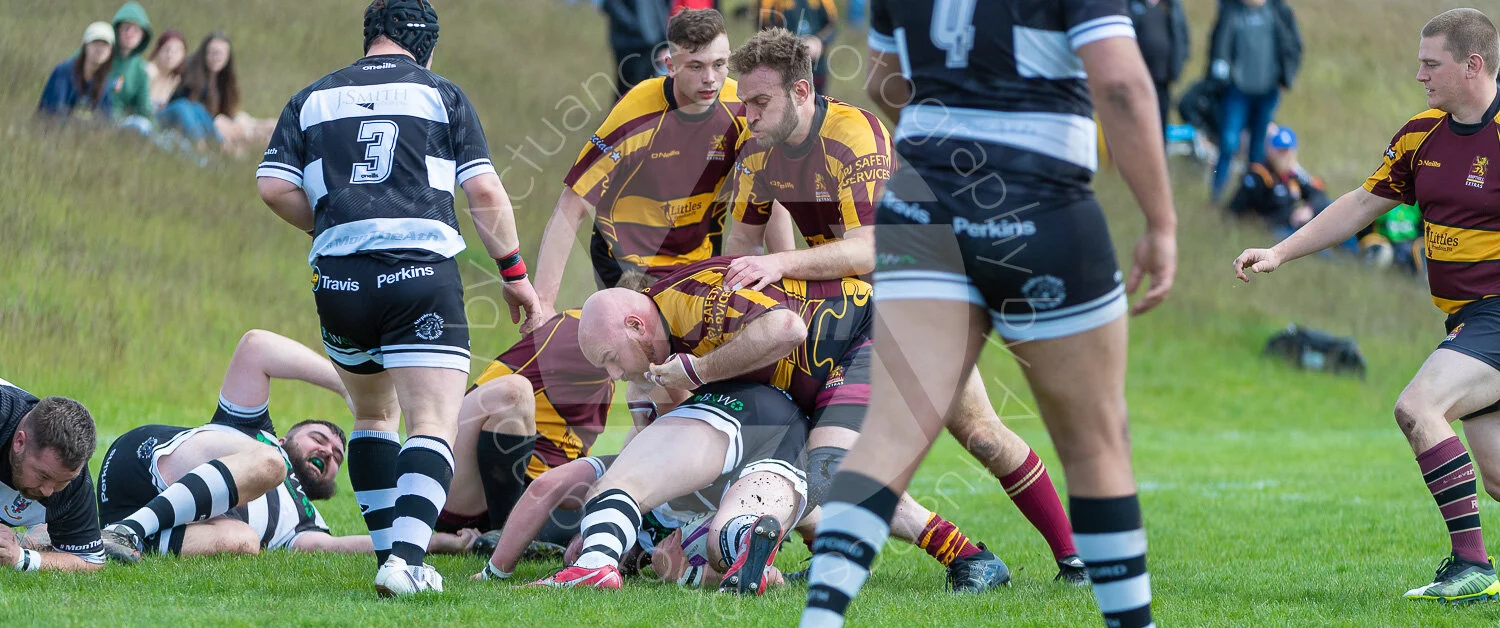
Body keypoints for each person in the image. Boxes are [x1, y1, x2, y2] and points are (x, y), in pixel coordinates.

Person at [803, 0, 1179, 625]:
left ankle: (820, 621)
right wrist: (1161, 222)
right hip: (1040, 205)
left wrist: (954, 139)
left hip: (926, 207)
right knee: (1096, 445)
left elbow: (883, 80)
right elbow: (1119, 82)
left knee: (890, 437)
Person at [724, 28, 1087, 583]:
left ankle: (1071, 559)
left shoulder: (853, 134)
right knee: (813, 428)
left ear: (801, 92)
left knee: (980, 433)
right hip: (852, 303)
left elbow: (871, 249)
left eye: (759, 102)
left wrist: (782, 268)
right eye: (744, 100)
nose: (746, 114)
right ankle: (841, 558)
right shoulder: (759, 150)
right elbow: (744, 246)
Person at [256, 0, 540, 597]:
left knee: (371, 417)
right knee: (431, 421)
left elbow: (273, 186)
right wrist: (513, 271)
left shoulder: (312, 97)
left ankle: (391, 552)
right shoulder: (441, 93)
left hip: (337, 282)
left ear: (371, 38)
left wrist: (329, 225)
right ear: (427, 46)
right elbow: (484, 191)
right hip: (418, 273)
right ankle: (405, 561)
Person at [1234, 8, 1500, 603]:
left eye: (1432, 64)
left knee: (1419, 407)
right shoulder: (1420, 135)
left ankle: (1472, 568)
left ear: (1472, 65)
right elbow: (1359, 205)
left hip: (1497, 315)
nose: (1420, 74)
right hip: (1467, 319)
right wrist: (1280, 252)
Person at [571, 258, 1013, 592]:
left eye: (610, 359)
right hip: (814, 372)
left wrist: (699, 371)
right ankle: (960, 557)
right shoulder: (672, 317)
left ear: (636, 324)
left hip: (868, 337)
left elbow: (787, 329)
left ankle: (970, 559)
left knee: (828, 469)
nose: (613, 374)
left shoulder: (695, 303)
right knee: (816, 470)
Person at [95, 330, 476, 558]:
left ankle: (106, 535)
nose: (328, 451)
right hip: (145, 458)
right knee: (268, 465)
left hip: (134, 510)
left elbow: (333, 547)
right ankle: (127, 531)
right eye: (319, 438)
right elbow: (256, 345)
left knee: (243, 541)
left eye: (336, 457)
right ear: (284, 437)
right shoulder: (254, 433)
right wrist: (345, 385)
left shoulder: (308, 522)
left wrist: (435, 540)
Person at [532, 9, 754, 322]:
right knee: (648, 345)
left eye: (719, 65)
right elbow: (572, 205)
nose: (710, 78)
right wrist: (542, 304)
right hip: (627, 265)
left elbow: (767, 187)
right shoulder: (635, 114)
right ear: (670, 66)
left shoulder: (741, 106)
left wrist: (782, 273)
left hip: (697, 262)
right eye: (695, 66)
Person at [497, 380, 808, 595]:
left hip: (747, 460)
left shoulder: (643, 466)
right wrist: (686, 574)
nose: (577, 549)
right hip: (752, 459)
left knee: (728, 533)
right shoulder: (654, 544)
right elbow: (764, 576)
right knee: (724, 543)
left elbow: (547, 485)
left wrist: (495, 571)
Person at [436, 309, 614, 547]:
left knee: (604, 516)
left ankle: (497, 538)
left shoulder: (608, 379)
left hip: (524, 488)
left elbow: (576, 457)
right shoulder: (574, 330)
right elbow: (489, 395)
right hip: (469, 479)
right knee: (515, 392)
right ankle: (506, 534)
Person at [0, 379, 105, 572]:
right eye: (43, 475)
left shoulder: (73, 481)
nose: (48, 491)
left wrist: (20, 558)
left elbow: (90, 561)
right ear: (20, 442)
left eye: (63, 481)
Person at [1208, 0, 1304, 200]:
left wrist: (1286, 76)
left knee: (1257, 149)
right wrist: (1219, 76)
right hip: (1237, 91)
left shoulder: (1278, 11)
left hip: (1267, 92)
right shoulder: (1231, 10)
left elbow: (1293, 45)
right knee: (1228, 143)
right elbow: (1218, 44)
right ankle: (1216, 195)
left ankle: (1250, 196)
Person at [1229, 125, 1335, 239]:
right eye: (1280, 151)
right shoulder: (1259, 175)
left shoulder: (1293, 175)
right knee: (1317, 244)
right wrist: (1291, 217)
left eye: (1288, 151)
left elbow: (1318, 194)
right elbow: (1235, 211)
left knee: (1333, 207)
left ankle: (1354, 247)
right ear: (1270, 151)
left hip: (1295, 226)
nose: (1285, 156)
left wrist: (1309, 209)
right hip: (1277, 231)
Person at [1129, 0, 1190, 137]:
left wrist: (1180, 60)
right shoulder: (1132, 5)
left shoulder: (1171, 6)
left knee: (1160, 123)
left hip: (1162, 78)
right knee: (1137, 123)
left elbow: (1182, 35)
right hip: (1137, 78)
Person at [754, 0, 838, 93]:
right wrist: (790, 45)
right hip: (785, 67)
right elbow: (764, 27)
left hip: (816, 67)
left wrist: (819, 41)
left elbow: (832, 25)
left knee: (817, 102)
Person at [37, 22, 115, 120]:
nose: (100, 49)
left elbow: (106, 119)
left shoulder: (104, 81)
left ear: (111, 50)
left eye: (104, 45)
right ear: (85, 46)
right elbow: (53, 112)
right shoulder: (63, 72)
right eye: (95, 43)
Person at [603, 0, 673, 98]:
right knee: (627, 89)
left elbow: (661, 7)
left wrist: (664, 40)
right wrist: (636, 27)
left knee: (645, 89)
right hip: (628, 43)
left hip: (653, 42)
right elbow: (612, 5)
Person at [106, 2, 155, 129]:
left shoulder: (140, 70)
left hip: (121, 123)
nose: (130, 33)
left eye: (136, 30)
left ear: (143, 35)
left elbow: (144, 108)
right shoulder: (100, 53)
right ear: (117, 30)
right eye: (126, 27)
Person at [146, 30, 186, 113]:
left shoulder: (178, 79)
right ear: (158, 50)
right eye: (167, 50)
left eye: (176, 51)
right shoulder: (149, 71)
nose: (170, 55)